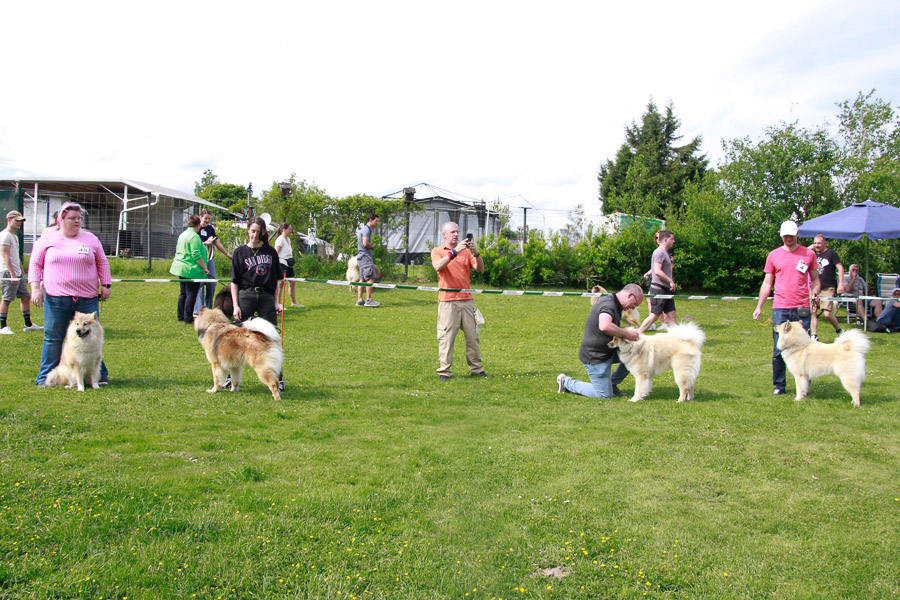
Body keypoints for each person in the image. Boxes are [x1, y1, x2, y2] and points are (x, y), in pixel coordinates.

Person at [28, 202, 112, 386]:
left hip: (87, 298)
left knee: (93, 336)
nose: (77, 221)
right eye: (72, 218)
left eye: (79, 218)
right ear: (61, 220)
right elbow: (35, 264)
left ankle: (99, 376)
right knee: (54, 336)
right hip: (56, 298)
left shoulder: (91, 239)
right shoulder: (47, 240)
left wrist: (106, 284)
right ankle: (45, 377)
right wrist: (35, 288)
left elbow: (102, 262)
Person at [752, 220, 821, 395]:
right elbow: (767, 283)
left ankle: (804, 384)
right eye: (785, 236)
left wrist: (815, 292)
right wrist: (759, 306)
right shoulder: (773, 255)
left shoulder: (808, 254)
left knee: (804, 348)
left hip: (802, 307)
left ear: (797, 234)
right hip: (780, 307)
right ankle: (779, 386)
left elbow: (815, 280)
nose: (788, 239)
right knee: (778, 348)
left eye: (791, 235)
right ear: (781, 235)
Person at [557, 283, 643, 398]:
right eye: (635, 304)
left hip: (608, 351)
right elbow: (605, 326)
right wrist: (627, 334)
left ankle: (612, 384)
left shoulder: (615, 304)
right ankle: (566, 382)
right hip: (595, 356)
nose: (633, 308)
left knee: (636, 354)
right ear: (630, 295)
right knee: (603, 395)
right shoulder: (609, 304)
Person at [231, 217, 285, 391]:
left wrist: (276, 302)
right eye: (252, 231)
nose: (255, 235)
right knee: (238, 338)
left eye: (258, 231)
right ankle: (232, 379)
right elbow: (234, 282)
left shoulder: (270, 252)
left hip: (266, 297)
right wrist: (235, 305)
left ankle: (278, 378)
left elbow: (277, 280)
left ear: (263, 232)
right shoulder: (239, 252)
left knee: (271, 337)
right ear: (248, 231)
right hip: (245, 295)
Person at [430, 222, 486, 381]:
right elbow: (437, 266)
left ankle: (477, 369)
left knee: (472, 337)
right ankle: (444, 371)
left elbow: (480, 269)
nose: (456, 234)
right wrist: (454, 252)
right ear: (444, 235)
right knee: (446, 337)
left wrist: (476, 253)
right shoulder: (437, 251)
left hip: (467, 300)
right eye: (452, 232)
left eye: (457, 232)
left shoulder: (466, 252)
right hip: (448, 301)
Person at [1, 210, 42, 334]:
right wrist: (12, 274)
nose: (19, 223)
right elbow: (5, 256)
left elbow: (16, 257)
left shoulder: (14, 236)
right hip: (8, 273)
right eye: (17, 220)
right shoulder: (5, 235)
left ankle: (28, 324)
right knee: (7, 299)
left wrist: (22, 273)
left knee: (26, 296)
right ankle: (2, 326)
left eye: (20, 221)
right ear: (9, 220)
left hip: (17, 273)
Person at [169, 214, 209, 324]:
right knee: (191, 293)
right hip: (190, 269)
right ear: (197, 225)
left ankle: (180, 315)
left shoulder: (183, 234)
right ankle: (188, 318)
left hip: (180, 268)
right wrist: (205, 268)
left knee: (183, 293)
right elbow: (196, 255)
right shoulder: (194, 237)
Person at [193, 210, 233, 316]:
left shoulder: (210, 229)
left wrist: (227, 254)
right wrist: (204, 243)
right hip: (199, 260)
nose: (207, 220)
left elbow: (217, 243)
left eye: (209, 218)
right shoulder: (196, 229)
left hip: (209, 259)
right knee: (200, 285)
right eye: (205, 218)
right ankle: (199, 310)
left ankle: (209, 308)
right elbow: (193, 244)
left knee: (212, 284)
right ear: (200, 217)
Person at [637, 230, 677, 333]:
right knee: (654, 316)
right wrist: (670, 282)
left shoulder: (665, 253)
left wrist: (669, 284)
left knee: (672, 315)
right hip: (659, 289)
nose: (674, 241)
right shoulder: (659, 252)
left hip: (666, 290)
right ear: (665, 239)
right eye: (672, 239)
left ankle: (678, 340)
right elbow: (658, 271)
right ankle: (635, 335)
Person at [809, 234, 844, 339]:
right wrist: (809, 248)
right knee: (813, 311)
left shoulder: (831, 253)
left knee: (827, 314)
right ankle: (814, 336)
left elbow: (840, 268)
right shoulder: (812, 254)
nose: (816, 245)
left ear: (824, 243)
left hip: (828, 287)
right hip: (815, 287)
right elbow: (800, 256)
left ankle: (839, 329)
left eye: (819, 243)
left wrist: (841, 284)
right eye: (815, 243)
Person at [274, 223, 303, 308]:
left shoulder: (288, 239)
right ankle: (278, 304)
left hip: (289, 263)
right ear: (284, 229)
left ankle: (294, 302)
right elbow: (276, 253)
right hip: (281, 263)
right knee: (281, 284)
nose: (290, 230)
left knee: (292, 282)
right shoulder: (280, 239)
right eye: (289, 229)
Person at [355, 213, 380, 307]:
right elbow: (365, 244)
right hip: (365, 257)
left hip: (361, 257)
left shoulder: (365, 229)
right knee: (371, 277)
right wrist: (372, 246)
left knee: (362, 279)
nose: (377, 223)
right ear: (370, 220)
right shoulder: (366, 230)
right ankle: (369, 300)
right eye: (376, 221)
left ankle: (360, 300)